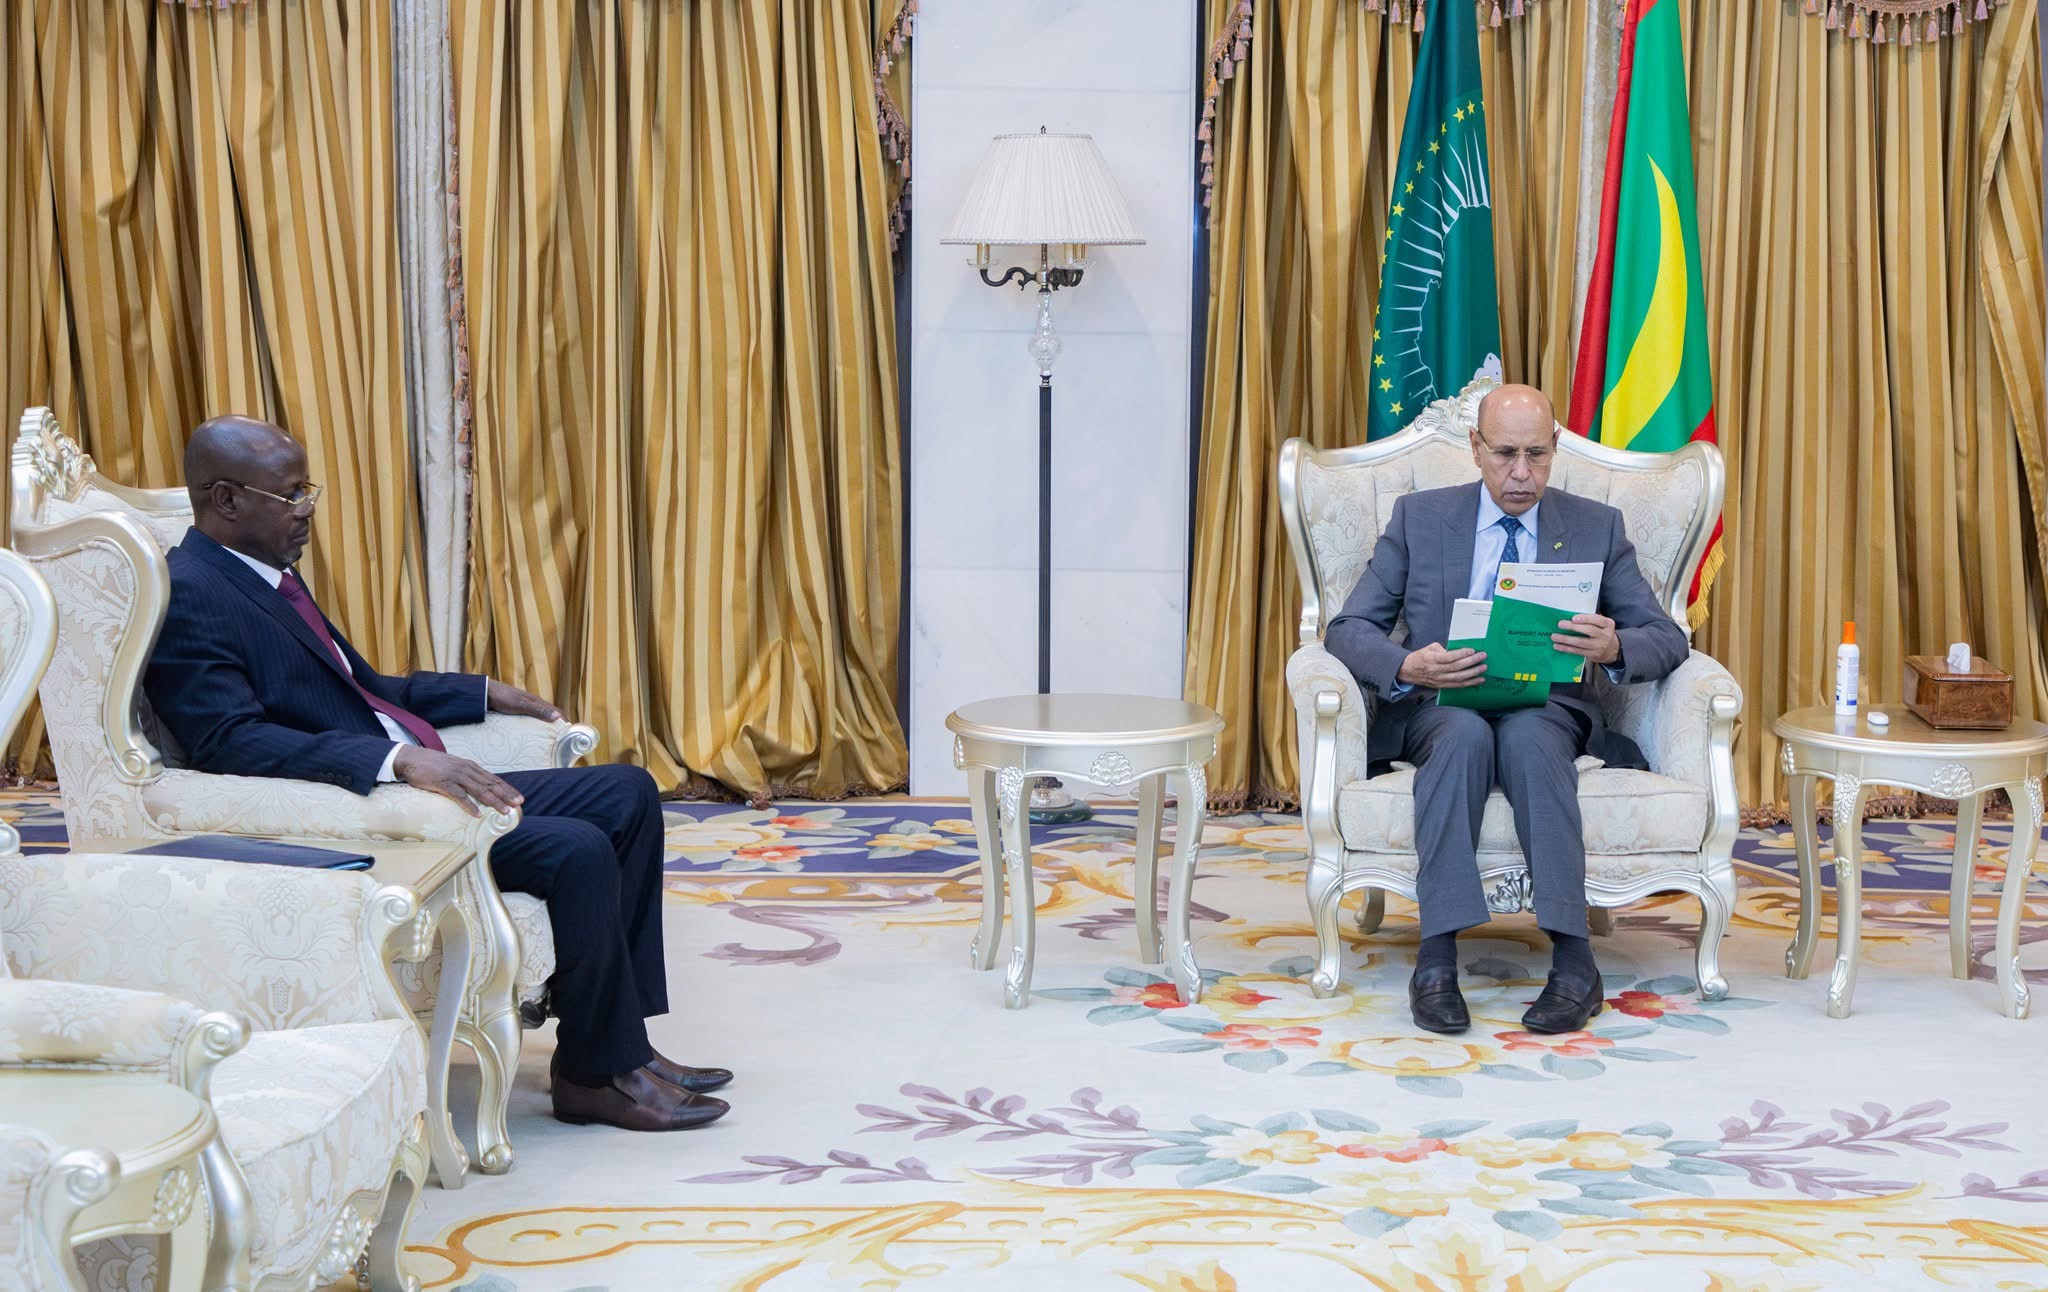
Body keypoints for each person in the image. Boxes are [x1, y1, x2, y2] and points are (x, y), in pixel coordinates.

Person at [143, 416, 732, 1132]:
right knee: (576, 847)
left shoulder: (266, 574)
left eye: (308, 490)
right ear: (226, 499)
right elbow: (227, 741)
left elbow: (362, 689)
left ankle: (616, 1046)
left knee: (627, 793)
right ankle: (595, 1078)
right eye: (290, 495)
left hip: (411, 787)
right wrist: (396, 760)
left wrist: (481, 693)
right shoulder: (193, 591)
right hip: (370, 814)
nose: (307, 510)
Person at [1325, 385, 1690, 1037]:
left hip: (1546, 708)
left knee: (1529, 738)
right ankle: (1436, 961)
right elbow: (1347, 629)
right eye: (1504, 454)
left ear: (1555, 449)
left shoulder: (1595, 526)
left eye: (1536, 455)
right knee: (1462, 735)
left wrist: (1614, 647)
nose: (1521, 473)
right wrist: (1407, 666)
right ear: (1475, 448)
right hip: (1444, 705)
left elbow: (1667, 637)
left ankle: (1575, 963)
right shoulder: (1420, 518)